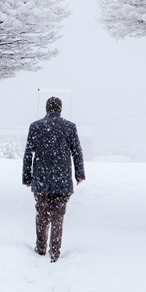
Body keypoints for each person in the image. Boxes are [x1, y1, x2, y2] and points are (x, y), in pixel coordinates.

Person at [22, 96, 85, 262]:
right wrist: (79, 174)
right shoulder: (69, 127)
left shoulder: (36, 127)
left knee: (42, 214)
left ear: (46, 108)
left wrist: (27, 177)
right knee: (58, 216)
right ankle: (55, 251)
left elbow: (28, 154)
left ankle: (41, 248)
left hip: (41, 178)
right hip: (62, 180)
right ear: (60, 109)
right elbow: (77, 152)